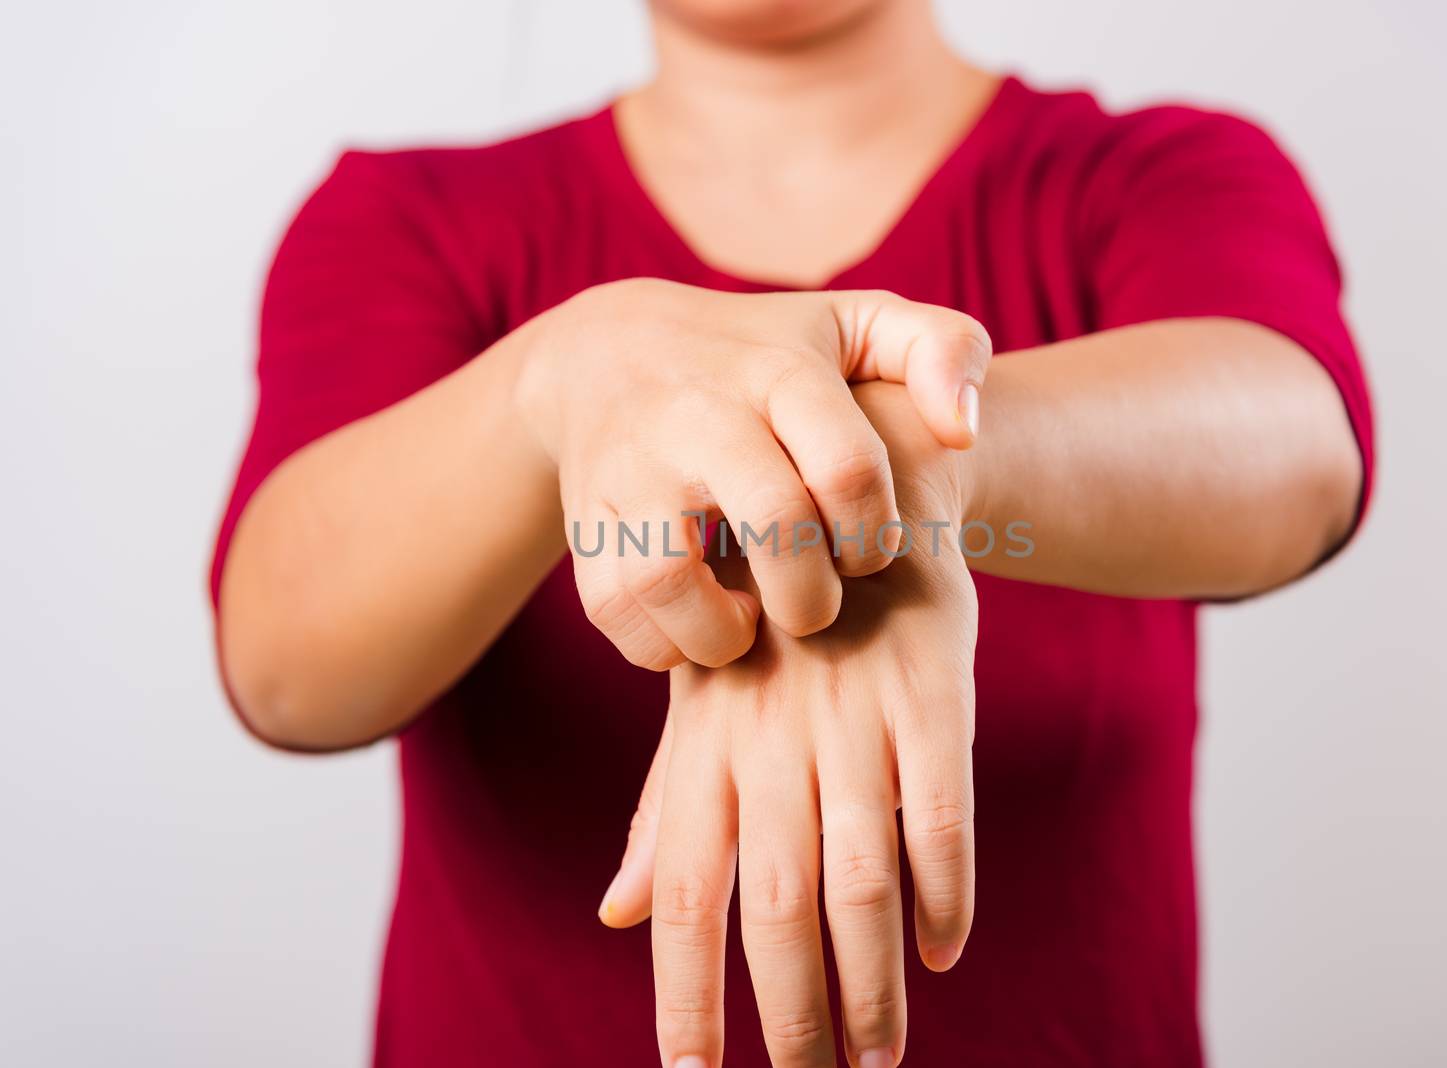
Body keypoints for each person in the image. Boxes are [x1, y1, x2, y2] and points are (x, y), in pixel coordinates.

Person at [209, 0, 1374, 1064]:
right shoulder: (408, 219)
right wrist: (552, 383)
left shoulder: (1152, 175)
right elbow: (288, 665)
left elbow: (1296, 443)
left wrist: (894, 475)